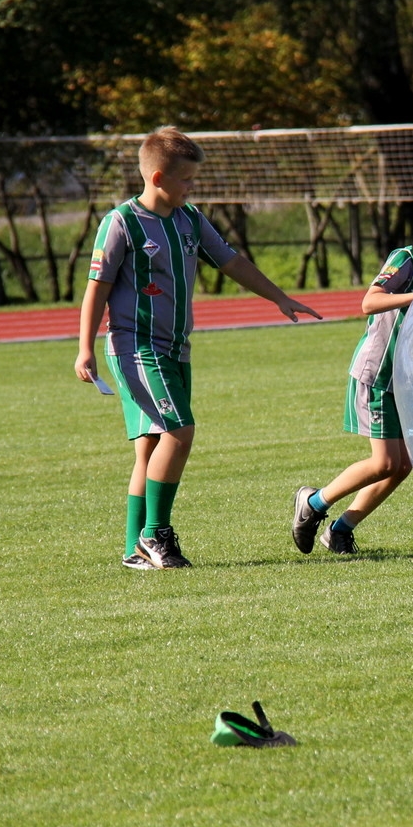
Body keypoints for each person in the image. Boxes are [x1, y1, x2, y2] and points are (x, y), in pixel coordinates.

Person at [76, 126, 321, 569]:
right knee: (179, 430)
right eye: (186, 179)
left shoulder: (189, 219)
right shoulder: (121, 223)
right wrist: (85, 348)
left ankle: (136, 550)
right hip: (136, 347)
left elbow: (231, 261)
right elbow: (97, 288)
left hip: (176, 349)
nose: (192, 187)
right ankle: (156, 535)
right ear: (157, 178)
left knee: (152, 447)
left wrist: (278, 297)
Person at [291, 191, 413, 555]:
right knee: (385, 461)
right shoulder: (406, 260)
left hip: (405, 382)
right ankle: (312, 503)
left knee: (401, 466)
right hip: (377, 375)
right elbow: (369, 301)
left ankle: (340, 530)